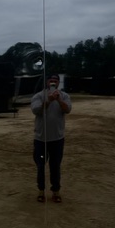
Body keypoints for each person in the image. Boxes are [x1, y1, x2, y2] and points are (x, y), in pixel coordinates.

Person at [31, 74, 72, 203]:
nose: (53, 82)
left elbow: (67, 109)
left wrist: (59, 100)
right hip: (41, 140)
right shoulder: (38, 96)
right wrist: (48, 101)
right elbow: (36, 110)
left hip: (57, 140)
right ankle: (41, 191)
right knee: (41, 166)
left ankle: (56, 191)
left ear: (58, 83)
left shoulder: (64, 96)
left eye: (55, 81)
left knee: (55, 166)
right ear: (47, 82)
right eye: (51, 80)